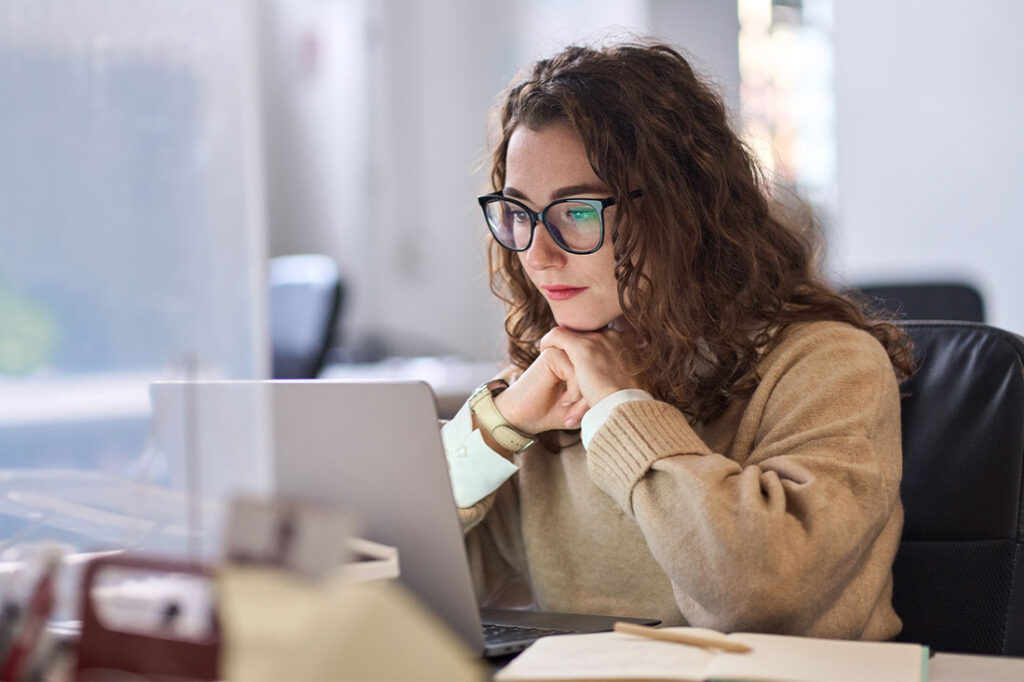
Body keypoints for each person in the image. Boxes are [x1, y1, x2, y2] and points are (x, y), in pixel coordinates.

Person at [441, 41, 913, 640]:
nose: (539, 252)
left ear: (680, 210)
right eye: (518, 212)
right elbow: (385, 567)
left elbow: (759, 597)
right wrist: (499, 424)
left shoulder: (828, 366)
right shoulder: (552, 383)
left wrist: (620, 410)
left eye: (578, 211)